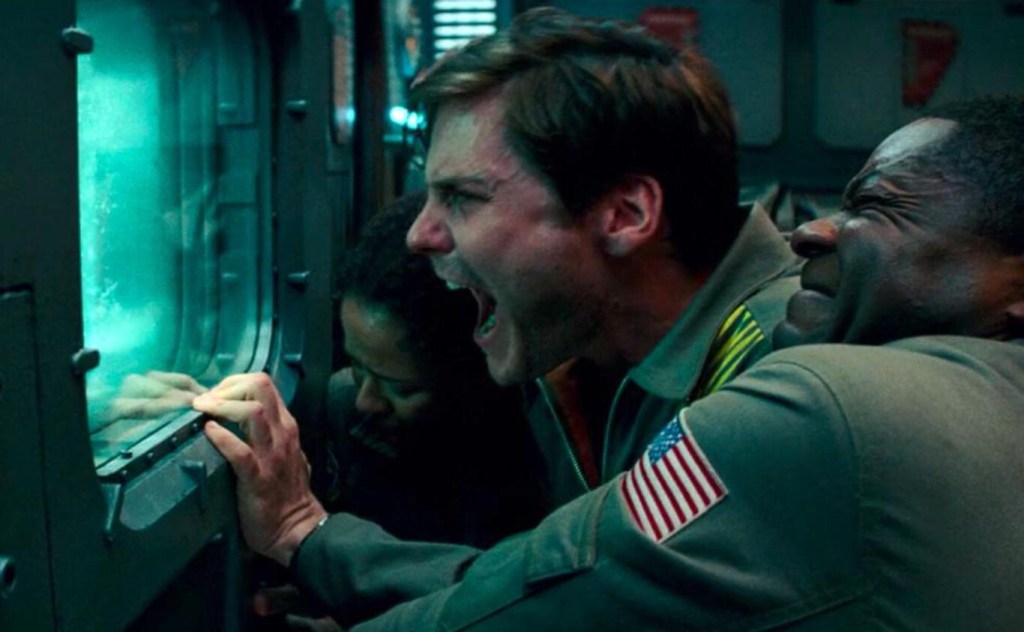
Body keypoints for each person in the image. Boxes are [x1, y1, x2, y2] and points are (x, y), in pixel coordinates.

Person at [202, 92, 1024, 627]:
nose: (812, 231)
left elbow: (538, 600)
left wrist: (307, 538)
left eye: (467, 197)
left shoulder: (820, 403)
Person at [197, 7, 803, 627]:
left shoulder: (774, 396)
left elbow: (562, 608)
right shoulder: (588, 355)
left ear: (626, 214)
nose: (420, 234)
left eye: (462, 197)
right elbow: (540, 578)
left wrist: (304, 531)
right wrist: (211, 404)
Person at [323, 191, 545, 546]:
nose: (365, 401)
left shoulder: (531, 461)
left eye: (402, 389)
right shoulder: (342, 412)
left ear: (470, 377)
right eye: (358, 366)